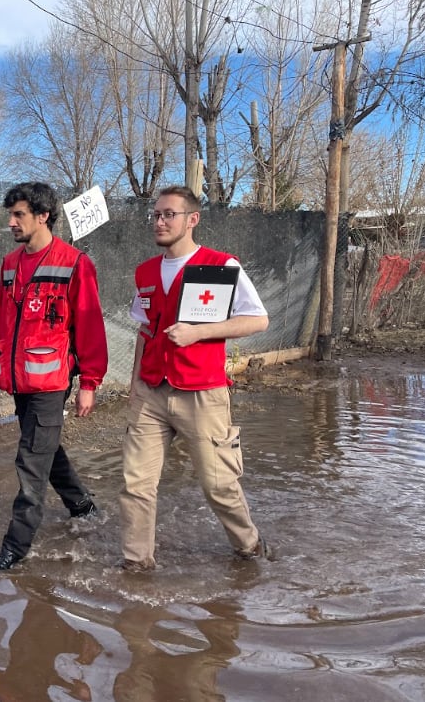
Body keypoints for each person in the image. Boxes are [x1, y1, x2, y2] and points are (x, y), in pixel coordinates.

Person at [120, 184, 270, 572]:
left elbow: (258, 319)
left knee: (219, 485)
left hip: (202, 392)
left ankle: (250, 548)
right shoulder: (145, 272)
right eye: (155, 214)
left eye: (169, 214)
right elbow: (144, 331)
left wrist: (199, 332)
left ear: (192, 219)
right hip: (151, 392)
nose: (160, 221)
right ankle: (137, 566)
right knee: (136, 486)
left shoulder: (220, 266)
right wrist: (135, 388)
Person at [0, 182, 108, 572]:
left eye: (18, 215)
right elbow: (3, 320)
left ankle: (14, 548)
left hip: (51, 383)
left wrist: (89, 383)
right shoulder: (9, 264)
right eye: (10, 215)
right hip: (18, 379)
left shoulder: (74, 263)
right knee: (44, 447)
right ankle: (82, 505)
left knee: (30, 463)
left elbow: (89, 326)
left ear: (43, 216)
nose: (11, 222)